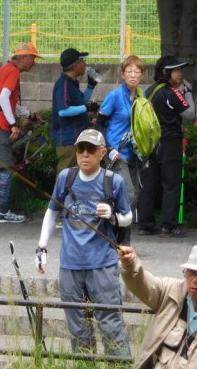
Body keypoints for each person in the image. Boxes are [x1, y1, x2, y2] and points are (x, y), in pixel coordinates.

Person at [36, 128, 132, 357]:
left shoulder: (113, 181)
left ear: (103, 153)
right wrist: (42, 247)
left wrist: (111, 214)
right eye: (81, 149)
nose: (85, 154)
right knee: (78, 326)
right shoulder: (66, 178)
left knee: (110, 322)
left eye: (91, 149)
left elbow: (128, 218)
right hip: (70, 264)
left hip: (103, 264)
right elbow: (52, 213)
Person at [0, 42, 44, 223]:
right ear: (23, 57)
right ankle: (3, 211)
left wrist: (29, 115)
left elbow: (9, 102)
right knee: (7, 168)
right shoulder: (14, 72)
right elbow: (3, 98)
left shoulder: (4, 70)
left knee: (0, 169)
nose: (34, 62)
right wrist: (13, 124)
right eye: (32, 58)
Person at [137, 56, 196, 238]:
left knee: (150, 183)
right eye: (177, 70)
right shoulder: (173, 93)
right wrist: (187, 91)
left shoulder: (150, 91)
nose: (180, 74)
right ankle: (169, 226)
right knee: (171, 184)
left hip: (152, 142)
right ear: (166, 72)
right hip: (170, 142)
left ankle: (145, 224)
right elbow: (190, 114)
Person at [95, 55, 146, 216]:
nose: (133, 75)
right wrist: (108, 149)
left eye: (137, 72)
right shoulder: (115, 96)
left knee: (136, 193)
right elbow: (98, 124)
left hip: (134, 153)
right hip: (116, 152)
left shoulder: (141, 96)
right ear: (122, 74)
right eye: (129, 71)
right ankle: (115, 225)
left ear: (142, 75)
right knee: (128, 193)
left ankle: (123, 229)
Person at [51, 48, 101, 174]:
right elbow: (63, 111)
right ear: (75, 66)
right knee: (66, 177)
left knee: (76, 177)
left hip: (76, 138)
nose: (85, 64)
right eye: (82, 61)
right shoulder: (63, 85)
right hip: (68, 141)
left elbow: (80, 102)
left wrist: (90, 86)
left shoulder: (72, 83)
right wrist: (87, 108)